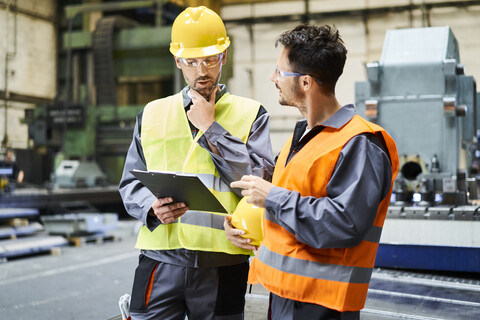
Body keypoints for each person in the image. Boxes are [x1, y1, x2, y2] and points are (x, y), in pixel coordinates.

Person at [225, 24, 399, 320]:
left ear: (305, 83)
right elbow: (291, 210)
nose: (272, 78)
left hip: (322, 305)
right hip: (283, 296)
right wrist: (245, 228)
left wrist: (272, 197)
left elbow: (344, 223)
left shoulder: (360, 143)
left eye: (280, 72)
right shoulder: (301, 137)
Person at [118, 6, 274, 320]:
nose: (201, 70)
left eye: (210, 59)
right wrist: (151, 207)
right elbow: (130, 183)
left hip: (223, 262)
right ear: (177, 61)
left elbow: (257, 184)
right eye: (191, 61)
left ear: (224, 57)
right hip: (160, 257)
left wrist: (211, 129)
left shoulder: (251, 113)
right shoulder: (151, 113)